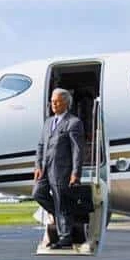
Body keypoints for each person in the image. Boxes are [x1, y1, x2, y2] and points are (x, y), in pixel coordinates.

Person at [33, 88, 84, 248]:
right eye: (52, 101)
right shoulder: (48, 122)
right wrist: (38, 165)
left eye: (57, 101)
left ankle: (65, 237)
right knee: (38, 193)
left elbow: (77, 150)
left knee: (61, 202)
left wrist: (76, 173)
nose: (53, 104)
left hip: (62, 170)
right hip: (46, 168)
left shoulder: (73, 123)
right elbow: (41, 145)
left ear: (66, 103)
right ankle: (59, 216)